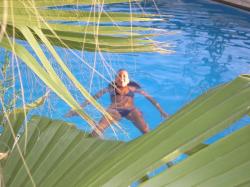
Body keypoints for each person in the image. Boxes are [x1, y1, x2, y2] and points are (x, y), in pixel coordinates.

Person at [65, 69, 169, 136]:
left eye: (124, 77)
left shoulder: (132, 88)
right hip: (114, 111)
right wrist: (78, 109)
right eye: (119, 76)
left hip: (131, 111)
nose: (121, 78)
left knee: (147, 132)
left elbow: (149, 98)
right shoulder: (110, 89)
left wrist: (161, 111)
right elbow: (93, 98)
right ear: (115, 79)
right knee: (95, 132)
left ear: (128, 80)